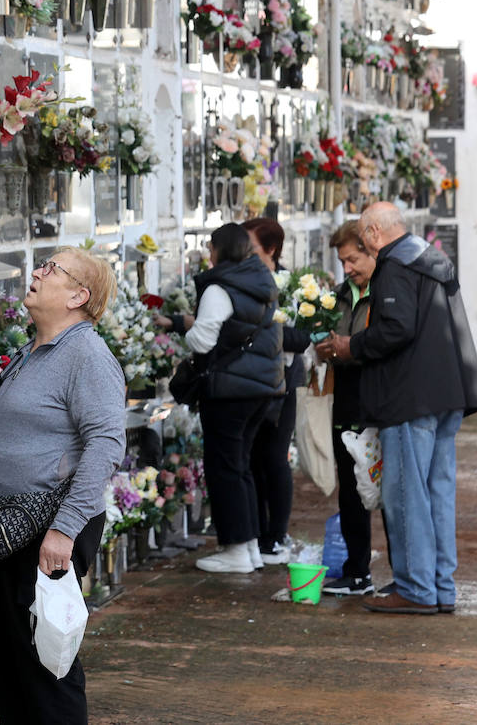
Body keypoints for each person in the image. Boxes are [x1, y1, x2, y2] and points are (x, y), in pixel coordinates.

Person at [0, 249, 126, 725]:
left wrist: (64, 530)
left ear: (80, 296)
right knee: (9, 659)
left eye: (51, 268)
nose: (36, 272)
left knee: (45, 669)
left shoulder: (86, 355)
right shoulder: (36, 349)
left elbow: (106, 443)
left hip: (45, 530)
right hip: (6, 527)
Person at [325, 202, 477, 614]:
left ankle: (415, 589)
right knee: (438, 493)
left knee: (405, 494)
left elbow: (396, 327)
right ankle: (439, 588)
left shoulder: (395, 264)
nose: (365, 248)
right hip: (445, 393)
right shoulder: (431, 258)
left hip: (408, 396)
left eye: (363, 241)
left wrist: (350, 346)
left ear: (376, 233)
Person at [155, 223, 284, 573]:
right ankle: (251, 547)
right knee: (241, 467)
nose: (208, 254)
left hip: (230, 390)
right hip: (261, 387)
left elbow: (202, 341)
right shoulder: (258, 279)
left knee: (225, 468)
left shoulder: (220, 285)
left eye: (211, 248)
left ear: (220, 250)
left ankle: (236, 550)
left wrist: (188, 332)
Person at [314, 221, 388, 595]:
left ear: (372, 251)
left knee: (387, 488)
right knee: (350, 489)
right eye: (343, 261)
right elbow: (330, 335)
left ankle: (405, 577)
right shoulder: (340, 295)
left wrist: (350, 347)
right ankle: (357, 571)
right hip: (345, 398)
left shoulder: (389, 292)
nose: (347, 268)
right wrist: (326, 345)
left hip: (380, 399)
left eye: (353, 259)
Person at [242, 217, 311, 565]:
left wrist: (265, 328)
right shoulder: (244, 280)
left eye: (251, 247)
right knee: (251, 460)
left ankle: (276, 536)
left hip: (283, 384)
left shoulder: (291, 285)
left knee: (275, 459)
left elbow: (303, 337)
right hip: (251, 383)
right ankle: (255, 534)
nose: (245, 253)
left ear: (270, 249)